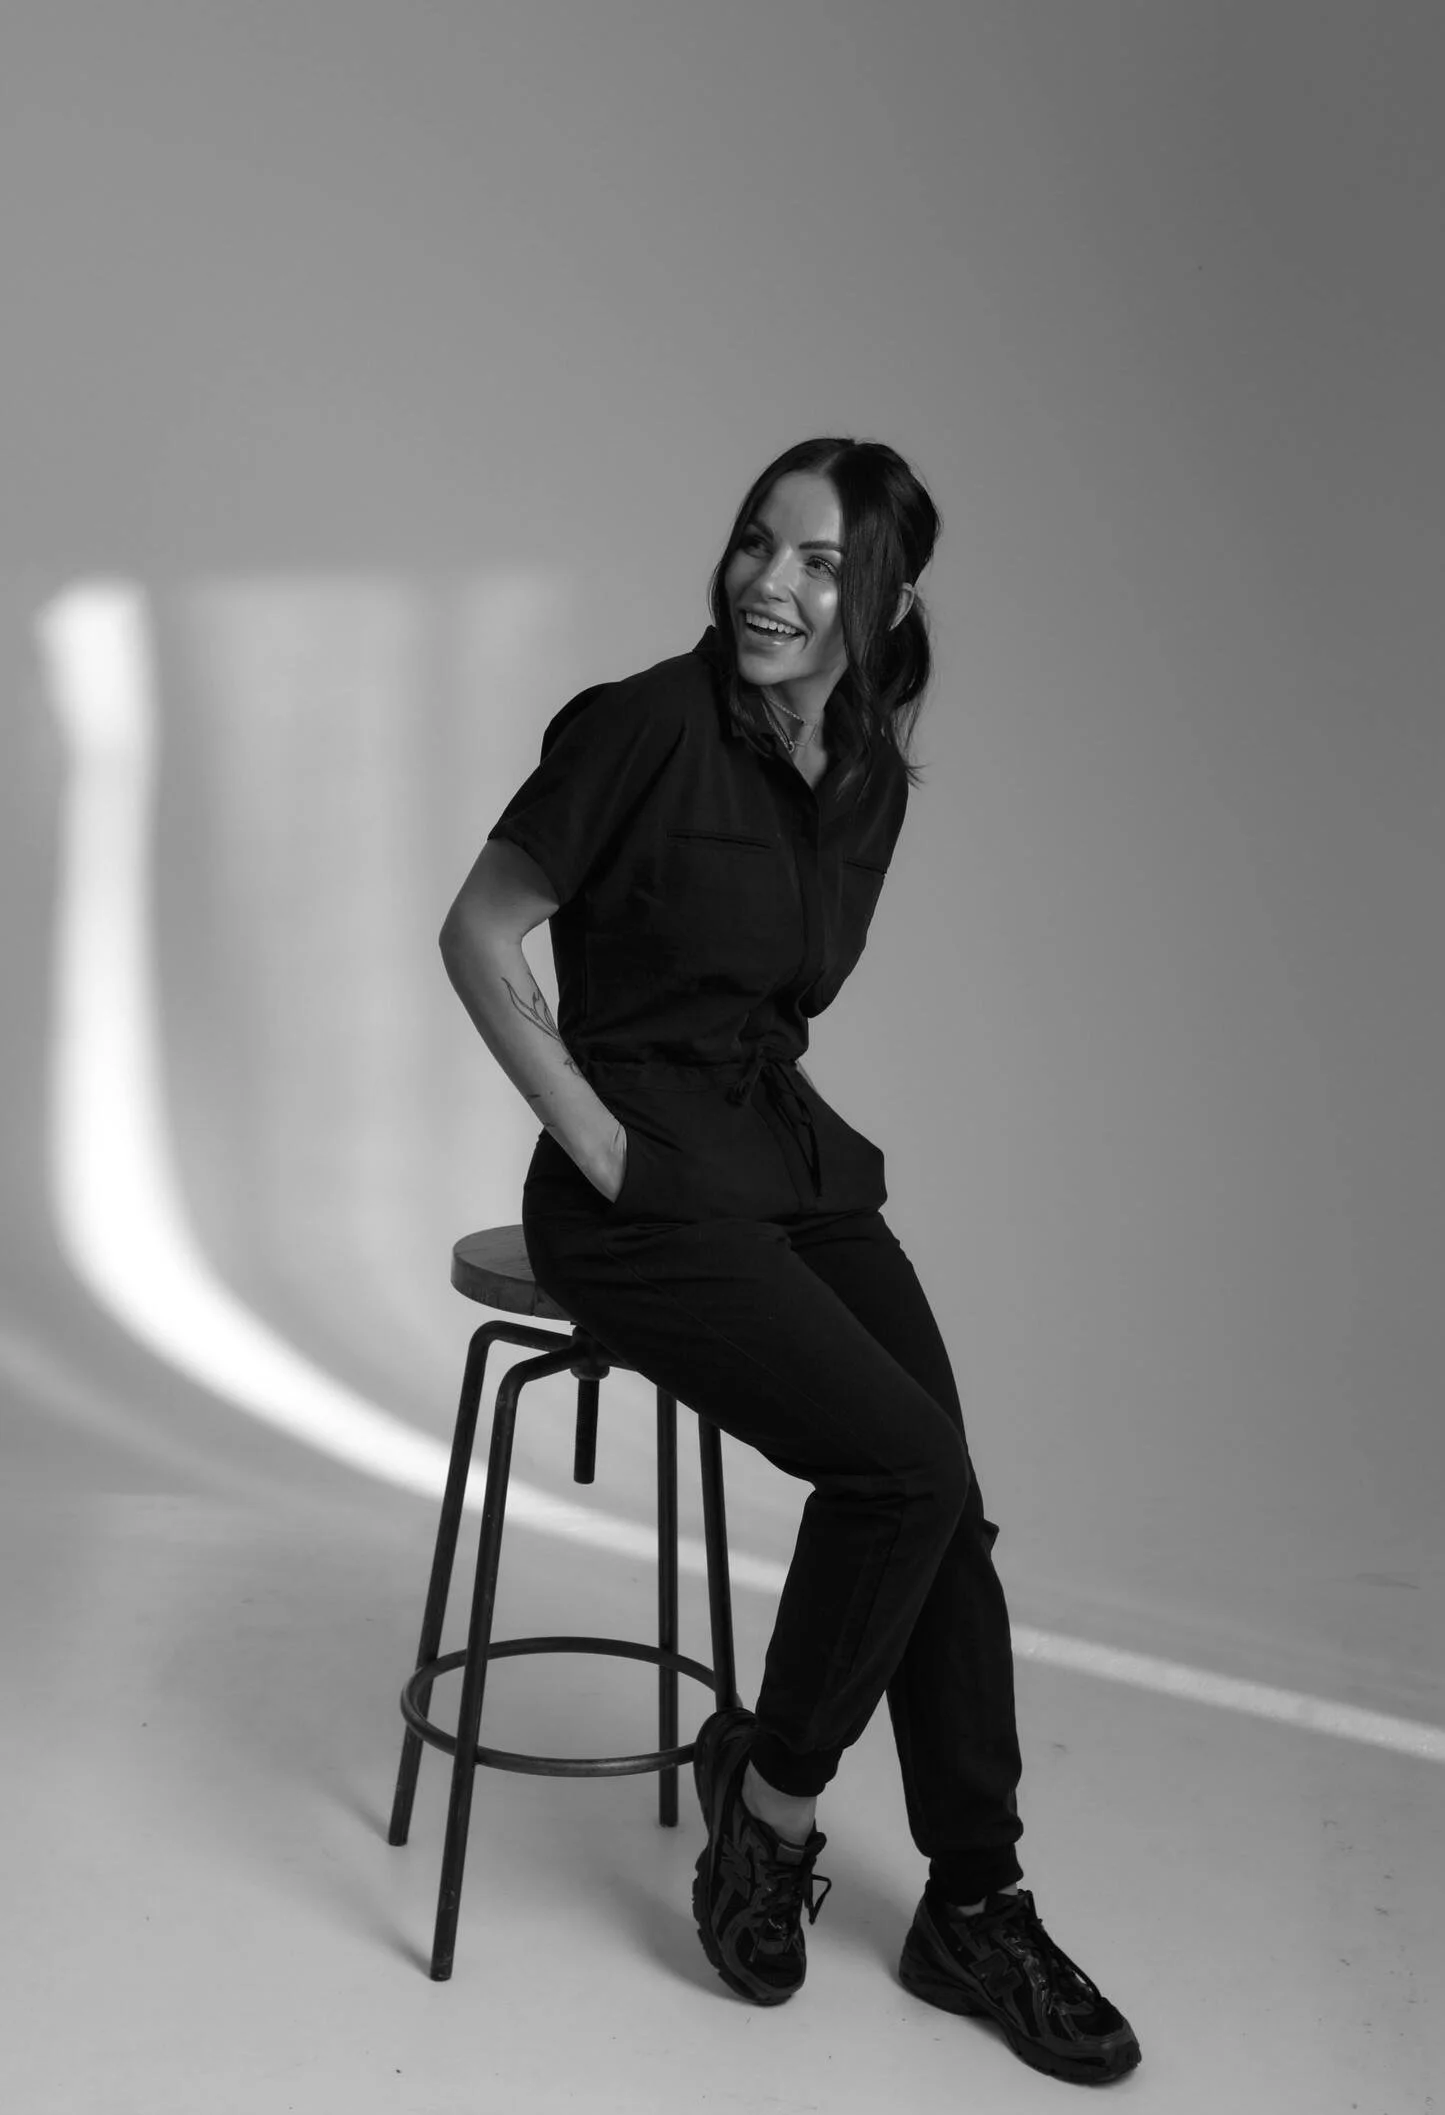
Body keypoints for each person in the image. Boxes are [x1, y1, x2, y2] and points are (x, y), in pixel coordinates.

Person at [438, 437, 1141, 2085]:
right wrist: (604, 1143)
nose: (772, 582)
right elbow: (479, 930)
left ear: (878, 596)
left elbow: (775, 1001)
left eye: (821, 562)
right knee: (896, 1466)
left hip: (785, 1154)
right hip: (641, 1187)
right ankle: (770, 1808)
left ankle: (977, 1895)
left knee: (939, 1489)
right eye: (762, 543)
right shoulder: (638, 726)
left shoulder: (865, 777)